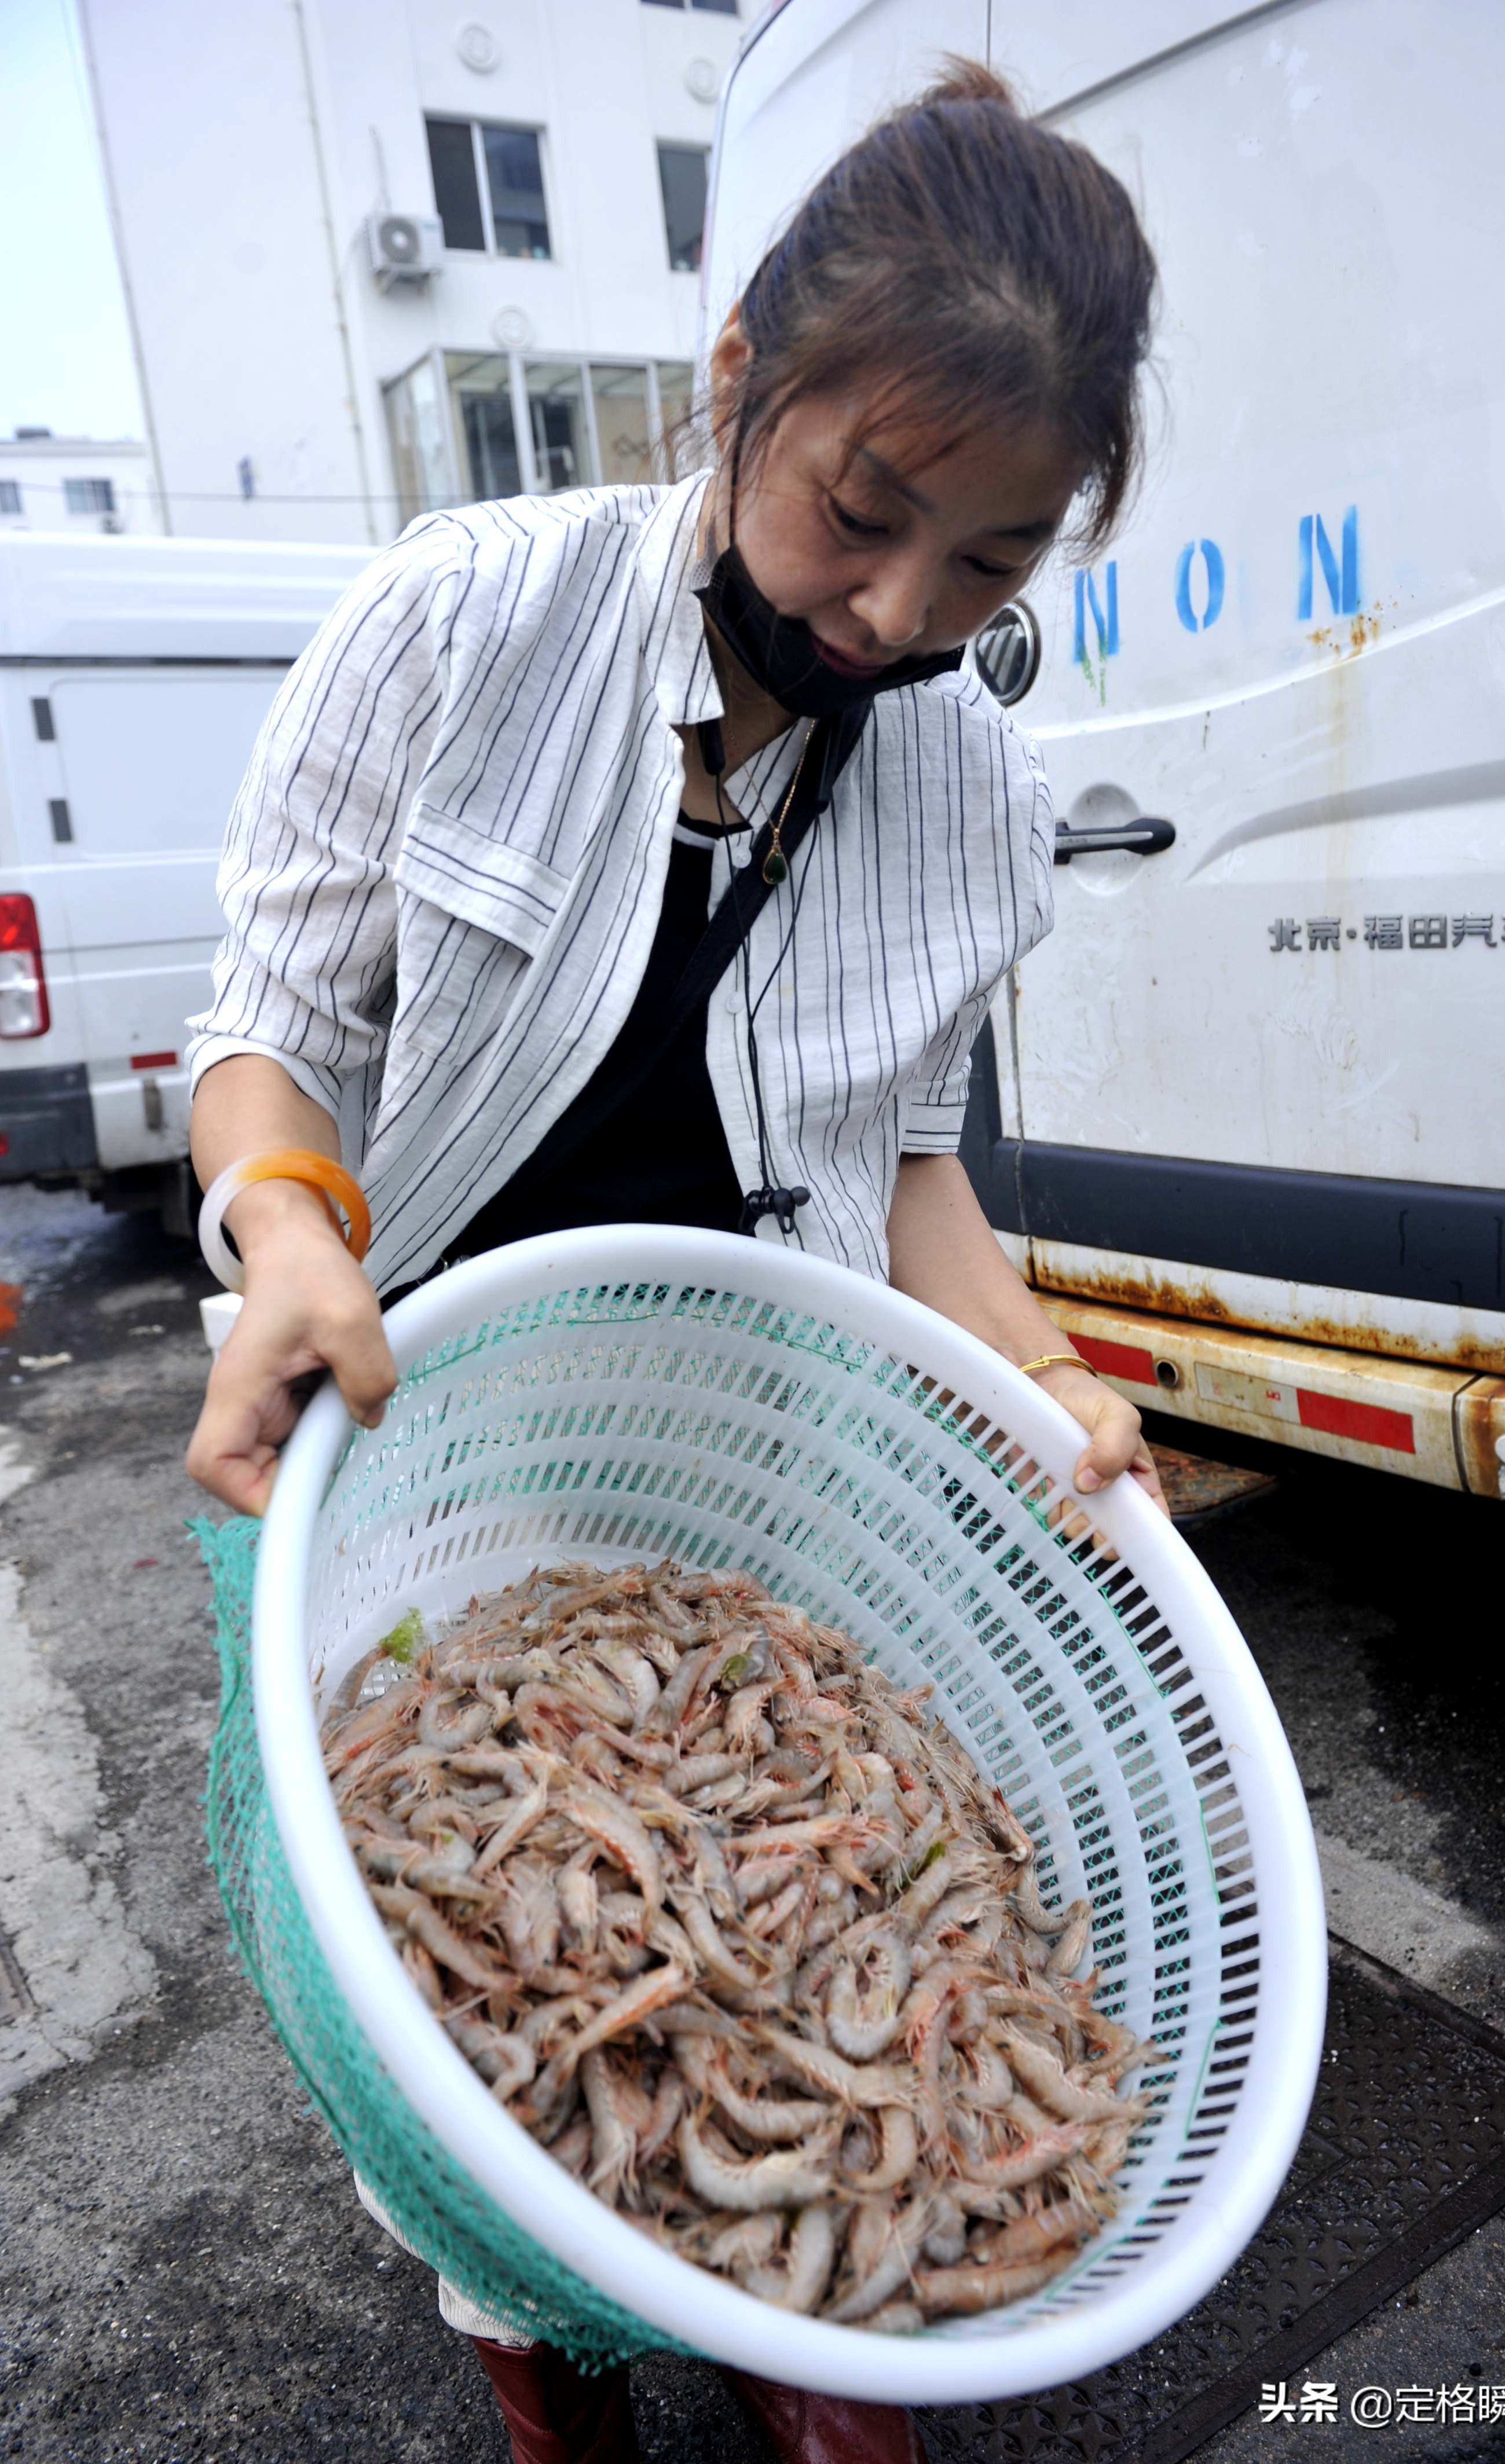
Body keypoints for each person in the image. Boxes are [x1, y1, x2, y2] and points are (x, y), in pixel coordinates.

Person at [186, 57, 1160, 2464]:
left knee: (757, 1975)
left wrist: (1049, 1379)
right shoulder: (462, 623)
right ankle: (529, 2351)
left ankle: (795, 2345)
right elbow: (268, 1030)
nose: (906, 616)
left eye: (996, 566)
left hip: (741, 1481)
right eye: (866, 514)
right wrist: (294, 1232)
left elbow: (916, 1166)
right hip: (407, 1463)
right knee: (450, 2023)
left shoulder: (960, 776)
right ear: (741, 378)